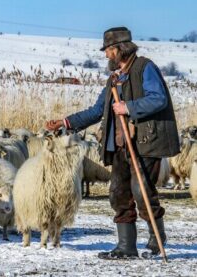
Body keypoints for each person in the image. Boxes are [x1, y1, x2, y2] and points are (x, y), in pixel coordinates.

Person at [46, 27, 180, 260]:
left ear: (121, 49)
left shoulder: (145, 68)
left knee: (142, 191)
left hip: (145, 142)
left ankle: (156, 238)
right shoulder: (114, 80)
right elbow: (98, 110)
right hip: (118, 145)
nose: (107, 55)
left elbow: (158, 99)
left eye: (109, 50)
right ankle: (126, 247)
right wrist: (66, 122)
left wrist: (128, 107)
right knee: (118, 194)